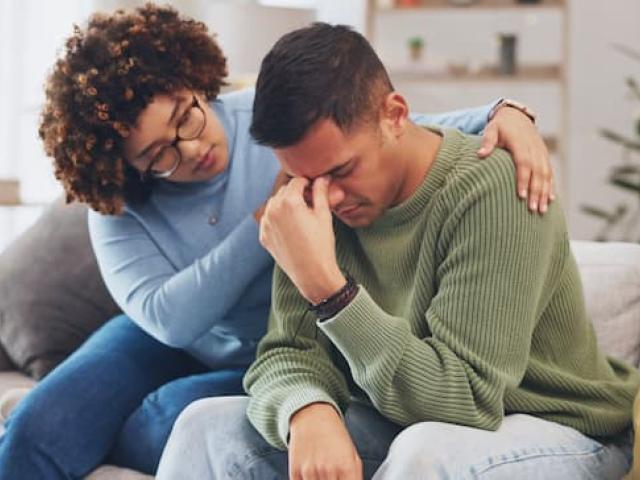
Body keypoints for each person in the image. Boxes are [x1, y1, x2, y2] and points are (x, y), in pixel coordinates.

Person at [0, 5, 553, 480]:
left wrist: (500, 113)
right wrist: (268, 222)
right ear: (126, 170)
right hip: (170, 338)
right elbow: (169, 322)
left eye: (186, 118)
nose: (189, 150)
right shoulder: (120, 206)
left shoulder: (268, 125)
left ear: (193, 82)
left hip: (265, 338)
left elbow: (386, 129)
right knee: (35, 428)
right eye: (158, 156)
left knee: (162, 420)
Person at [156, 22, 640, 480]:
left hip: (560, 427)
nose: (328, 198)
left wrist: (331, 292)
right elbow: (287, 353)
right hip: (402, 420)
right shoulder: (309, 201)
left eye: (342, 171)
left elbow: (465, 400)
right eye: (306, 178)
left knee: (424, 453)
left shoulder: (492, 189)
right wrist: (307, 408)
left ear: (395, 116)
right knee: (205, 426)